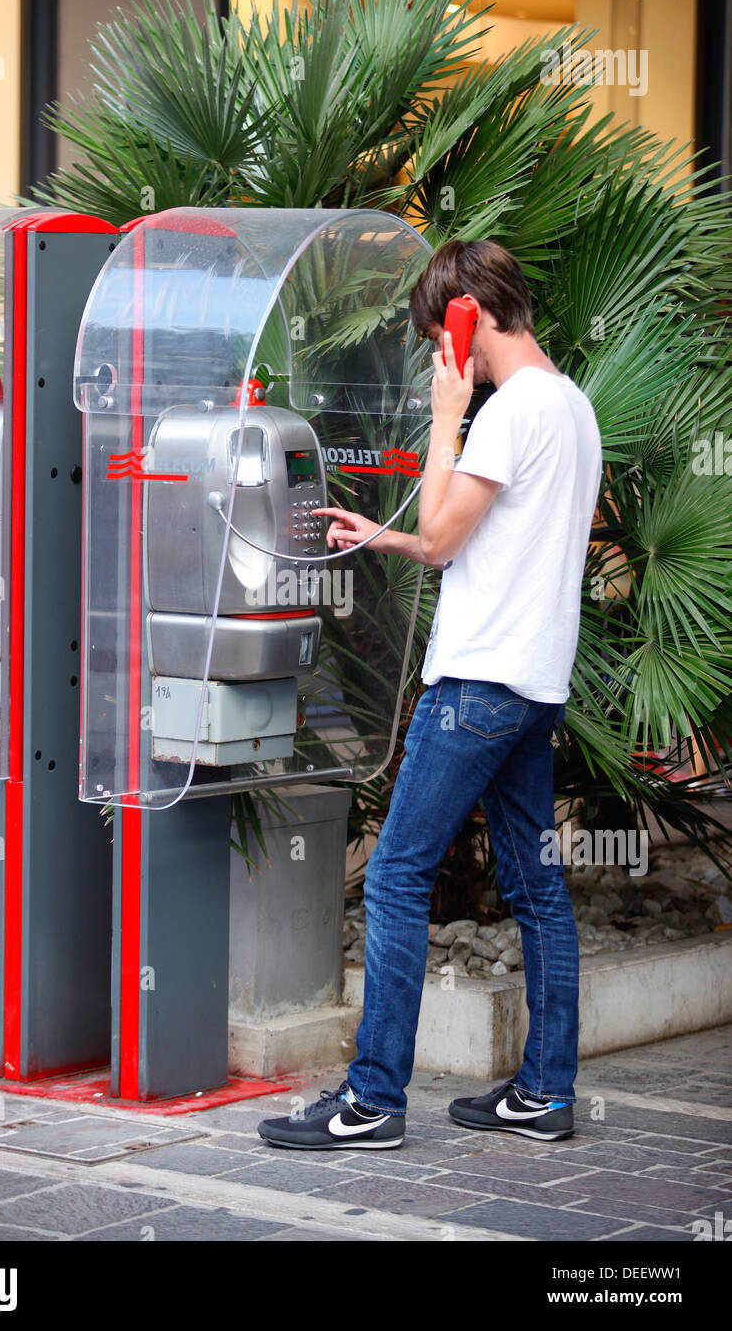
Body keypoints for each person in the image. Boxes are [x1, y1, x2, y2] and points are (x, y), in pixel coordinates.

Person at [257, 238, 603, 1151]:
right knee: (539, 890)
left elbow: (446, 539)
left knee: (400, 874)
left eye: (440, 335)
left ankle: (370, 1101)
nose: (442, 356)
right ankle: (545, 1092)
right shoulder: (572, 406)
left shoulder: (504, 411)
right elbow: (468, 538)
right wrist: (388, 537)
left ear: (469, 315)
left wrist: (448, 413)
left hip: (478, 684)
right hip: (534, 685)